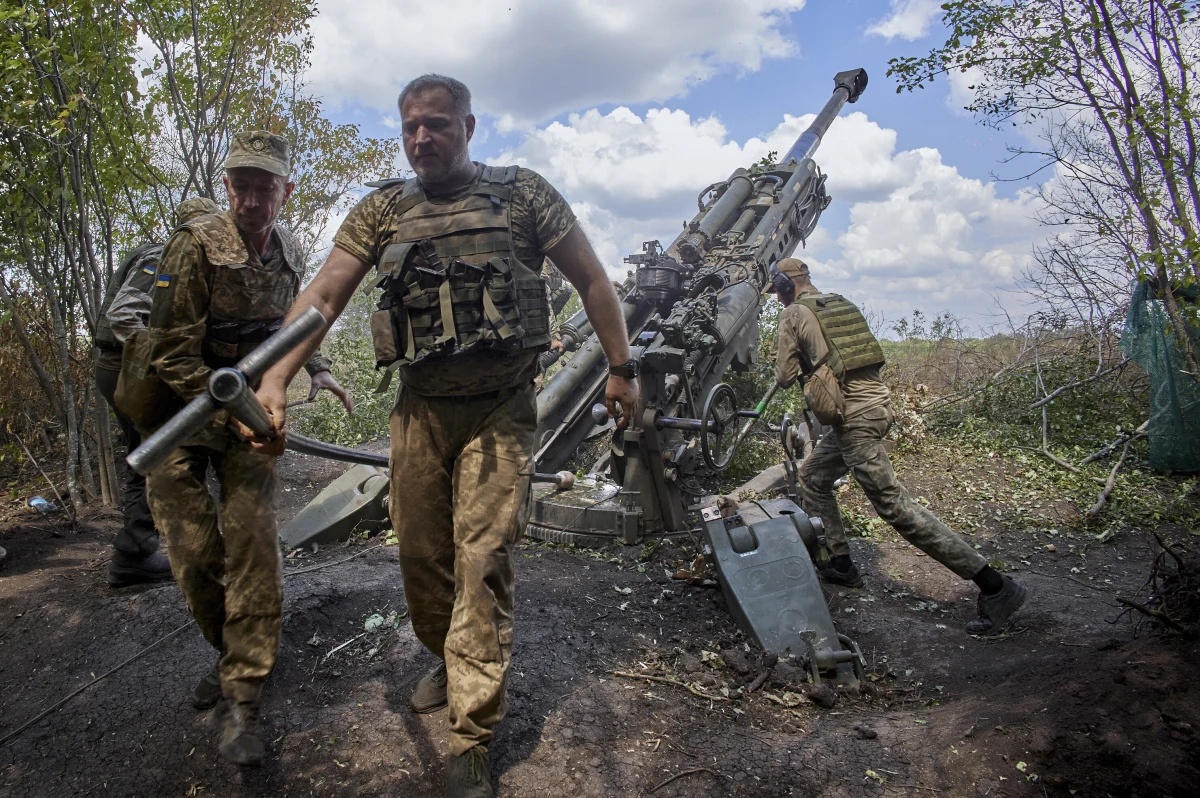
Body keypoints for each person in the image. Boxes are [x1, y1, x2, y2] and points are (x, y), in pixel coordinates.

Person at [250, 74, 639, 798]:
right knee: (422, 557)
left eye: (435, 125)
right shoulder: (382, 210)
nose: (421, 139)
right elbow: (325, 295)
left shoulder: (523, 195)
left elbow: (592, 281)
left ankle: (471, 731)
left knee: (482, 557)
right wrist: (274, 378)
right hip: (420, 409)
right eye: (409, 129)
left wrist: (621, 368)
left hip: (500, 406)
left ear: (468, 126)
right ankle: (447, 654)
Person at [142, 131, 350, 766]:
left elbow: (289, 326)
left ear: (285, 191)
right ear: (227, 188)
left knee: (254, 546)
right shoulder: (194, 246)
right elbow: (169, 352)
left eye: (266, 187)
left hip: (248, 413)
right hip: (176, 413)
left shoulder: (287, 252)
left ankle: (245, 697)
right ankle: (232, 651)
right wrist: (226, 408)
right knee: (196, 556)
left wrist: (317, 370)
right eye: (242, 186)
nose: (253, 200)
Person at [770, 257, 1027, 636]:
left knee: (894, 507)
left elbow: (785, 375)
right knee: (813, 476)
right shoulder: (839, 304)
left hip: (855, 418)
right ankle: (840, 563)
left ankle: (995, 586)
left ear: (785, 285)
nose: (776, 298)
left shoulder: (793, 314)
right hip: (875, 407)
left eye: (777, 290)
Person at [94, 197, 218, 587]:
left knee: (149, 453)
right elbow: (123, 314)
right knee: (153, 454)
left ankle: (138, 550)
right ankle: (134, 556)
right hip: (128, 370)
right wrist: (165, 357)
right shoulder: (162, 255)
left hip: (129, 368)